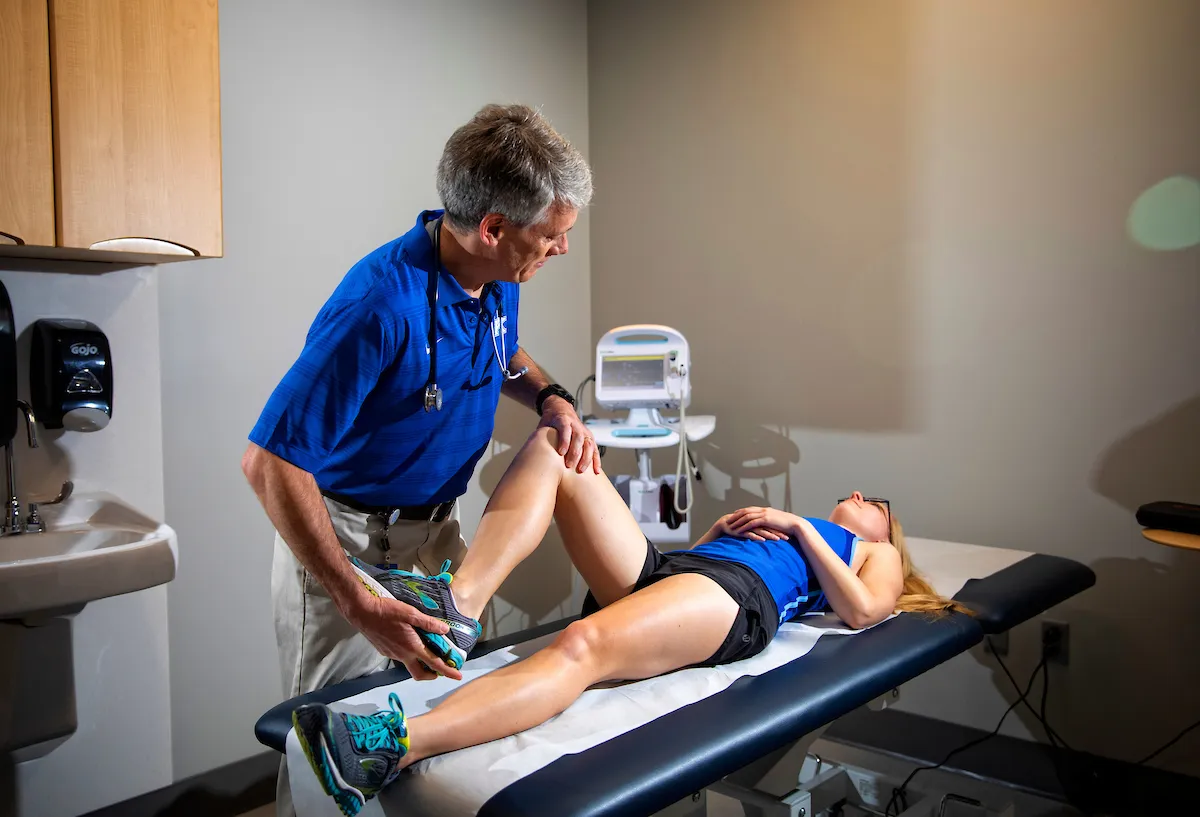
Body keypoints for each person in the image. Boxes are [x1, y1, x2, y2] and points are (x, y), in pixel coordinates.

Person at [290, 426, 973, 817]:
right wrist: (713, 535)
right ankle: (458, 605)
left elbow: (864, 608)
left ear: (888, 528)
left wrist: (797, 524)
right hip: (682, 570)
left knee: (582, 640)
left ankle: (393, 743)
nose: (855, 497)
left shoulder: (874, 551)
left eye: (871, 501)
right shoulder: (819, 531)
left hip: (737, 598)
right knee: (555, 447)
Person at [241, 104, 598, 817]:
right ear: (494, 227)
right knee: (330, 757)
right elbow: (269, 464)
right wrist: (354, 600)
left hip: (436, 538)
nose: (560, 250)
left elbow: (501, 354)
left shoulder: (496, 277)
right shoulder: (379, 305)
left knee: (441, 723)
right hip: (349, 545)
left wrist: (552, 397)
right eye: (552, 236)